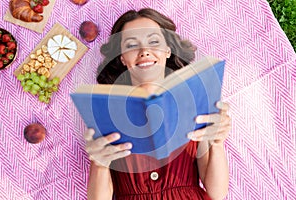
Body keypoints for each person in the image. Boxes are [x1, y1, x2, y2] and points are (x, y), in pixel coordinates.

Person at [84, 8, 231, 200]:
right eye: (131, 45)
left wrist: (218, 143)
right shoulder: (105, 111)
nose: (144, 51)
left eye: (154, 42)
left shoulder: (193, 103)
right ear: (122, 57)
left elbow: (217, 193)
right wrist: (99, 164)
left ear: (167, 50)